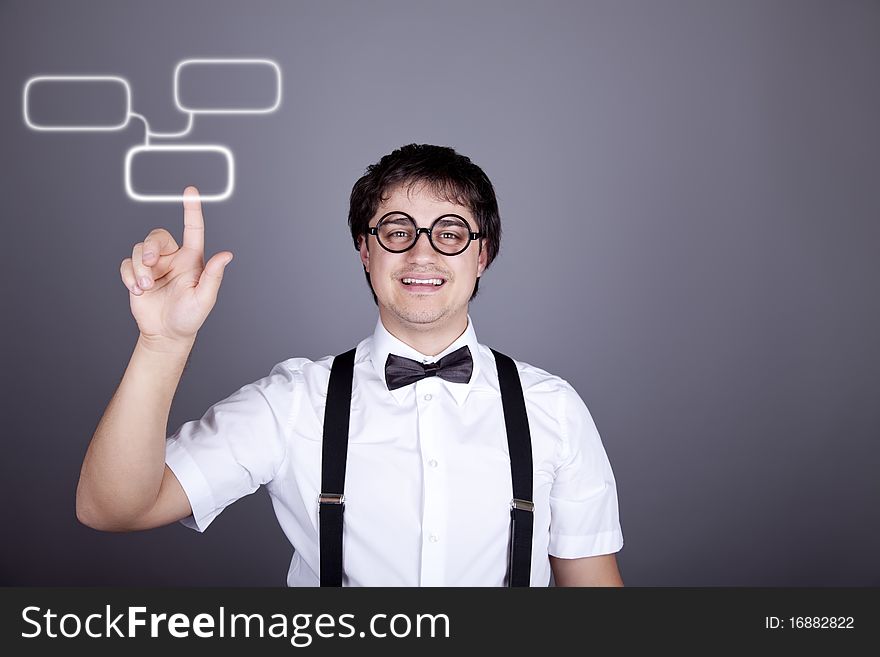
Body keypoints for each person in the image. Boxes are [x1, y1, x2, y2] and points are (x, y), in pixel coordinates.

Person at [76, 144, 624, 586]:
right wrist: (163, 341)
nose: (422, 254)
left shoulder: (552, 408)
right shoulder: (292, 403)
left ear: (482, 255)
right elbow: (113, 508)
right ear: (366, 250)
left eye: (451, 233)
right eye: (397, 231)